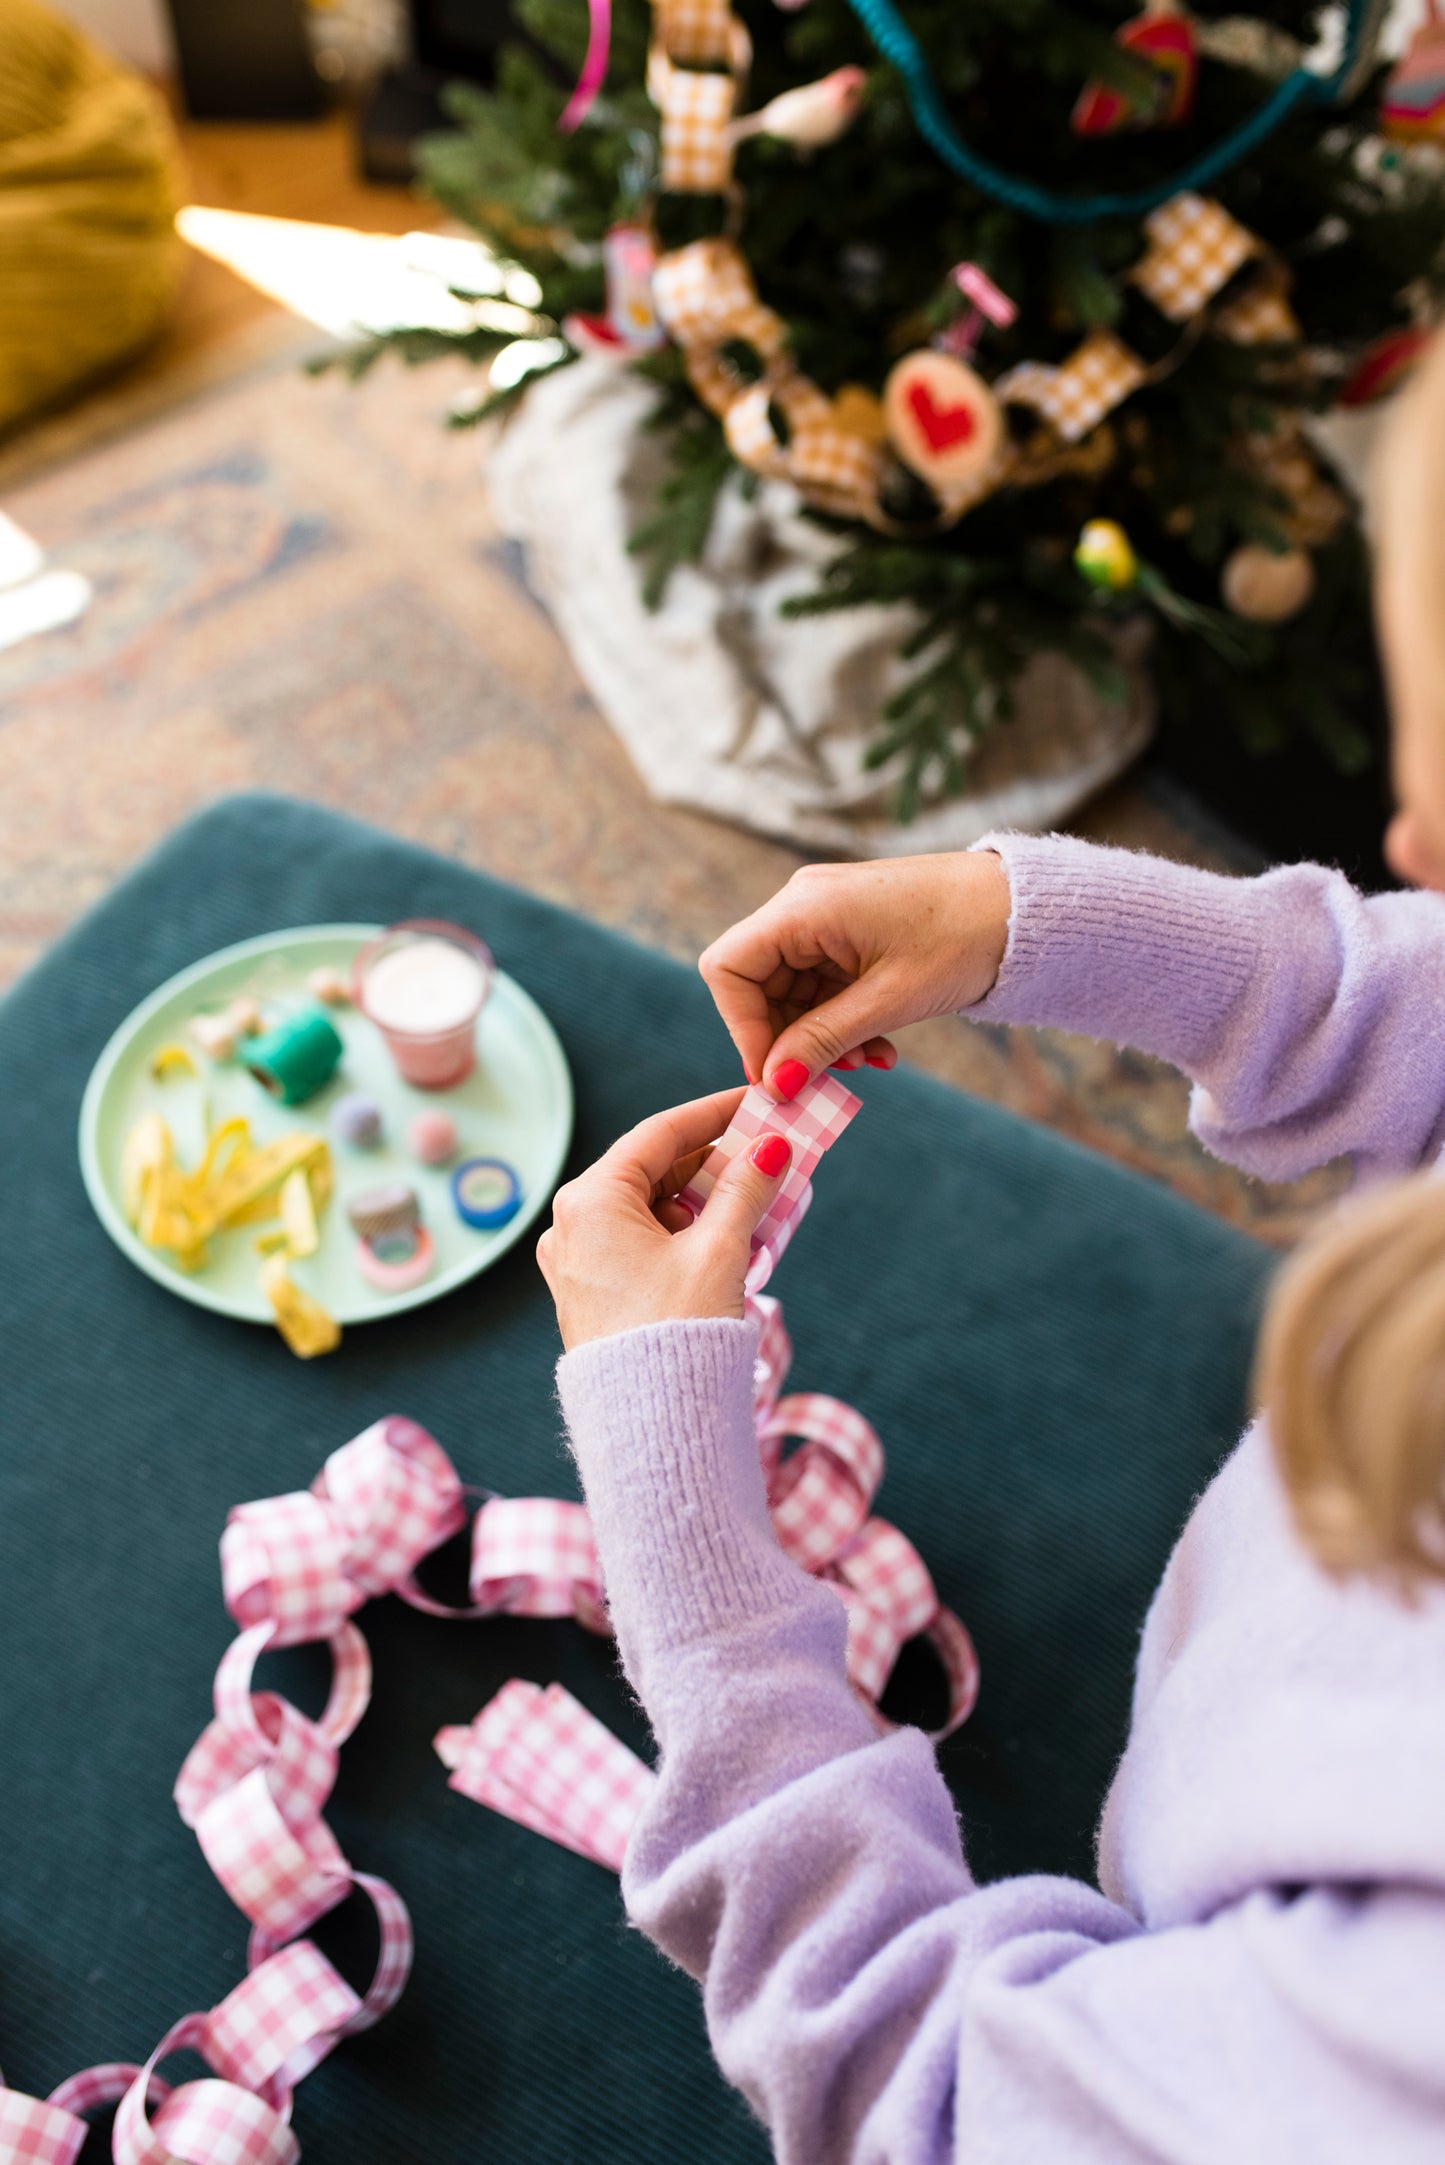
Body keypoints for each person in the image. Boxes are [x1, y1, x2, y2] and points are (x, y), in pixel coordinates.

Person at [534, 332, 1445, 2161]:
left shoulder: (1373, 2047)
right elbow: (1399, 1005)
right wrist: (1020, 917)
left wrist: (684, 1538)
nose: (1403, 839)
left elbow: (911, 2080)